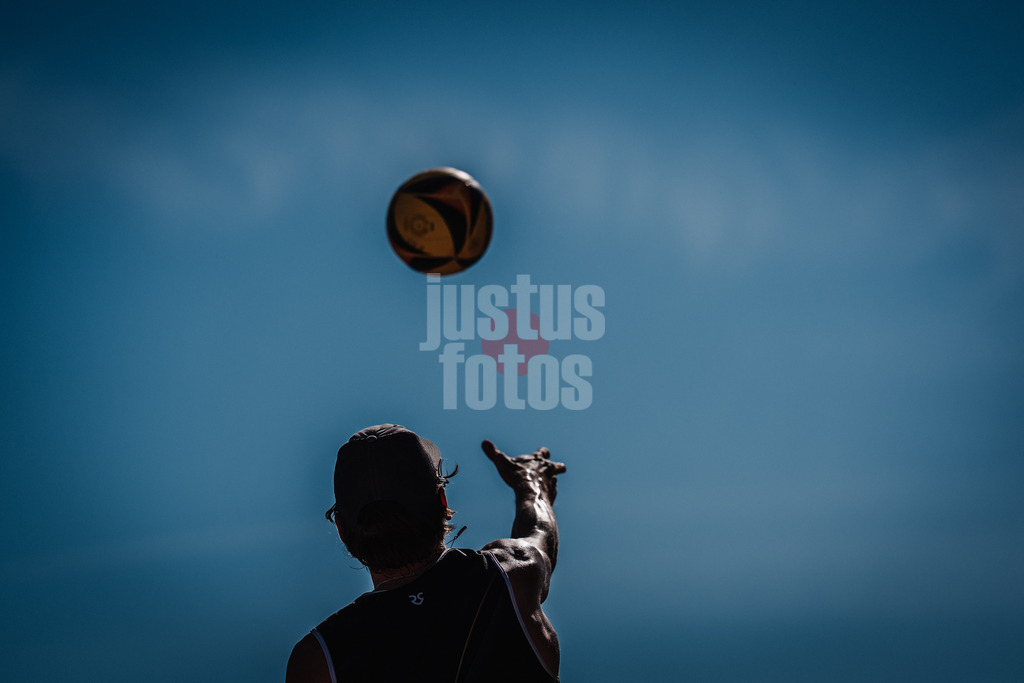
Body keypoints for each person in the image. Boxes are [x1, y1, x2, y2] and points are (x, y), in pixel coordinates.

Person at [286, 423, 566, 682]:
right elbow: (539, 532)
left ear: (342, 530)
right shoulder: (511, 575)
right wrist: (529, 482)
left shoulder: (317, 659)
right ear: (442, 502)